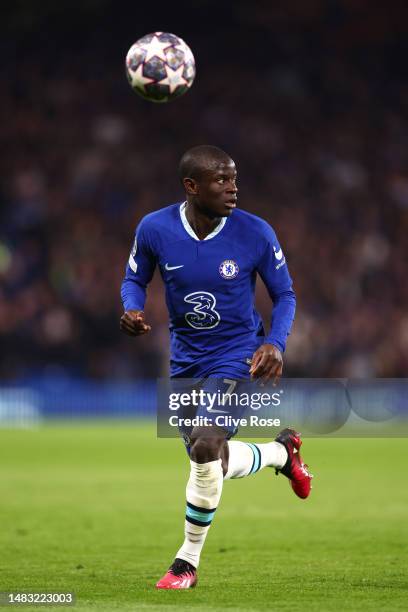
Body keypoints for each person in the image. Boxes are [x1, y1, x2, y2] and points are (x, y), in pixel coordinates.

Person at [120, 145, 313, 589]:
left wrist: (275, 344)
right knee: (210, 459)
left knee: (206, 447)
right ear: (192, 186)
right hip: (185, 357)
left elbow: (285, 295)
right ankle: (282, 453)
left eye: (234, 178)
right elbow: (135, 278)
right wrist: (131, 309)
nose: (233, 188)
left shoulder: (255, 232)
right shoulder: (154, 228)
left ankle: (185, 563)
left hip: (238, 353)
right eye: (221, 180)